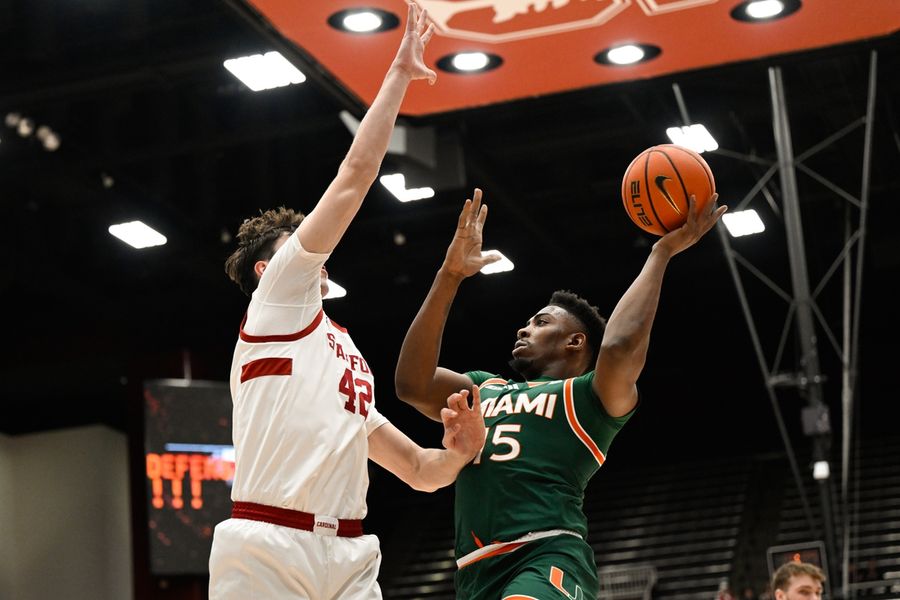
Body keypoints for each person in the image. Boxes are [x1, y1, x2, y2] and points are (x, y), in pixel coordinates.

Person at [208, 6, 486, 599]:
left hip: (352, 552)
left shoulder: (343, 352)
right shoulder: (278, 299)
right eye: (299, 240)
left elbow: (416, 471)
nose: (316, 242)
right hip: (267, 545)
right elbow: (356, 175)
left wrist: (457, 454)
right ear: (268, 269)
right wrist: (398, 76)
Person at [395, 188, 726, 599]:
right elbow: (411, 384)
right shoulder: (485, 387)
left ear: (574, 342)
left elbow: (619, 347)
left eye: (540, 322)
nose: (523, 328)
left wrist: (660, 254)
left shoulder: (589, 398)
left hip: (546, 553)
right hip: (473, 570)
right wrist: (449, 275)